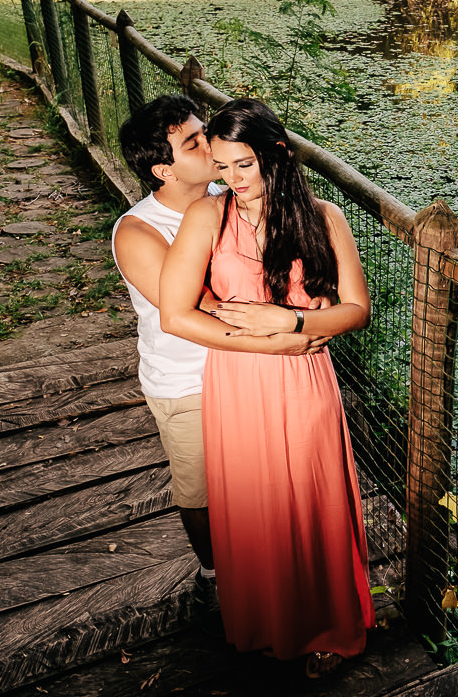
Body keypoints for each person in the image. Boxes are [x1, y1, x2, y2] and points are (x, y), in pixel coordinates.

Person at [159, 98, 374, 677]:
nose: (232, 180)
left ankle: (328, 627)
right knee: (255, 504)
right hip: (237, 377)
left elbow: (355, 311)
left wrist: (295, 322)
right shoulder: (207, 217)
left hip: (305, 377)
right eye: (222, 167)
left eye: (244, 166)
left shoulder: (324, 216)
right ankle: (263, 624)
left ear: (276, 155)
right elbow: (176, 316)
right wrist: (266, 339)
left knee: (310, 503)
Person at [113, 95, 327, 591]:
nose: (208, 143)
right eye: (192, 142)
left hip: (250, 372)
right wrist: (287, 335)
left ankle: (272, 574)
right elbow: (207, 305)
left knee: (262, 482)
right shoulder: (138, 232)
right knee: (202, 489)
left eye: (203, 130)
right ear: (164, 170)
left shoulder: (232, 195)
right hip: (189, 380)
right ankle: (214, 574)